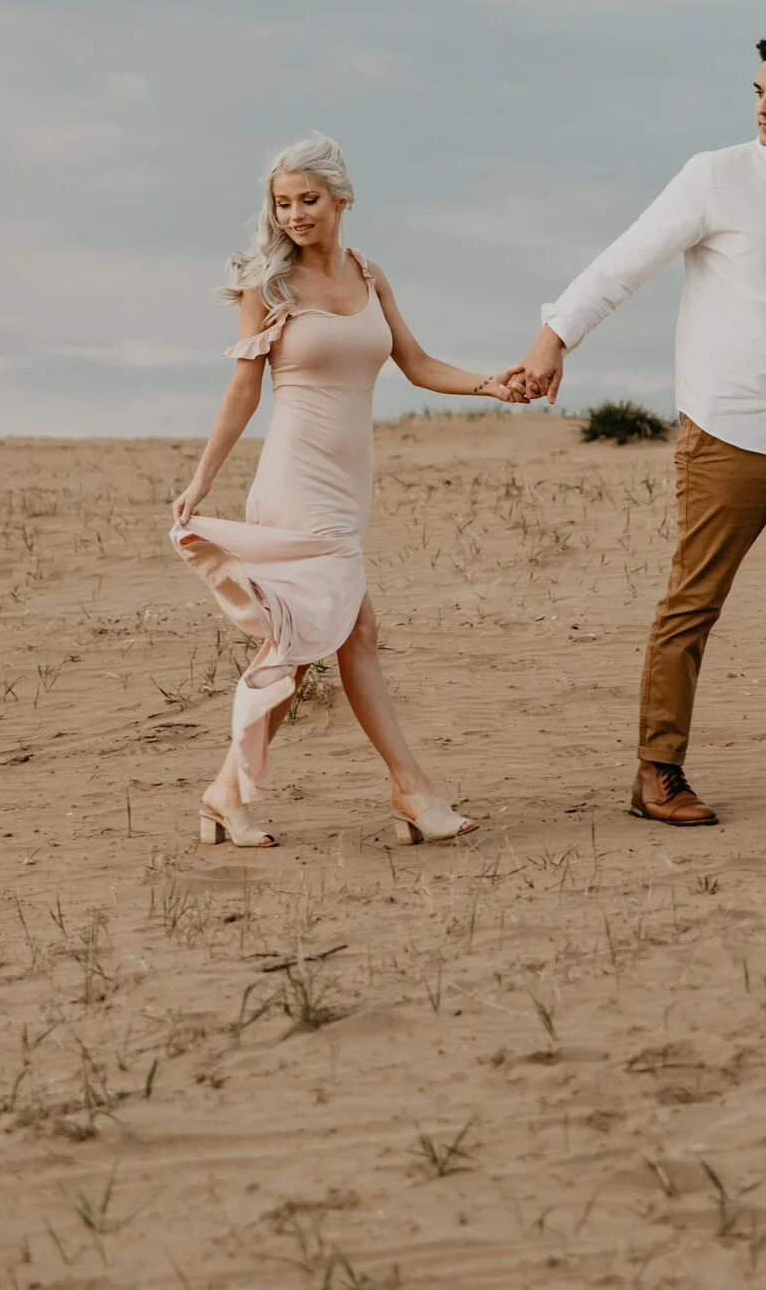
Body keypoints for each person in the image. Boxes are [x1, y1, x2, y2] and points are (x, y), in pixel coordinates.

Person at [517, 27, 766, 825]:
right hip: (727, 430)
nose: (764, 106)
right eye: (760, 91)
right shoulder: (714, 178)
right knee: (693, 602)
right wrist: (553, 337)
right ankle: (658, 772)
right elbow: (625, 261)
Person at [171, 134, 527, 848]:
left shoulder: (369, 274)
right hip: (295, 483)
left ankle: (225, 794)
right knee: (339, 636)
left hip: (346, 487)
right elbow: (244, 390)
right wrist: (202, 477)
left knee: (309, 645)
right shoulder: (266, 286)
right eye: (283, 203)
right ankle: (413, 791)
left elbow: (417, 364)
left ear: (341, 198)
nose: (296, 214)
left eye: (308, 200)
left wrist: (492, 383)